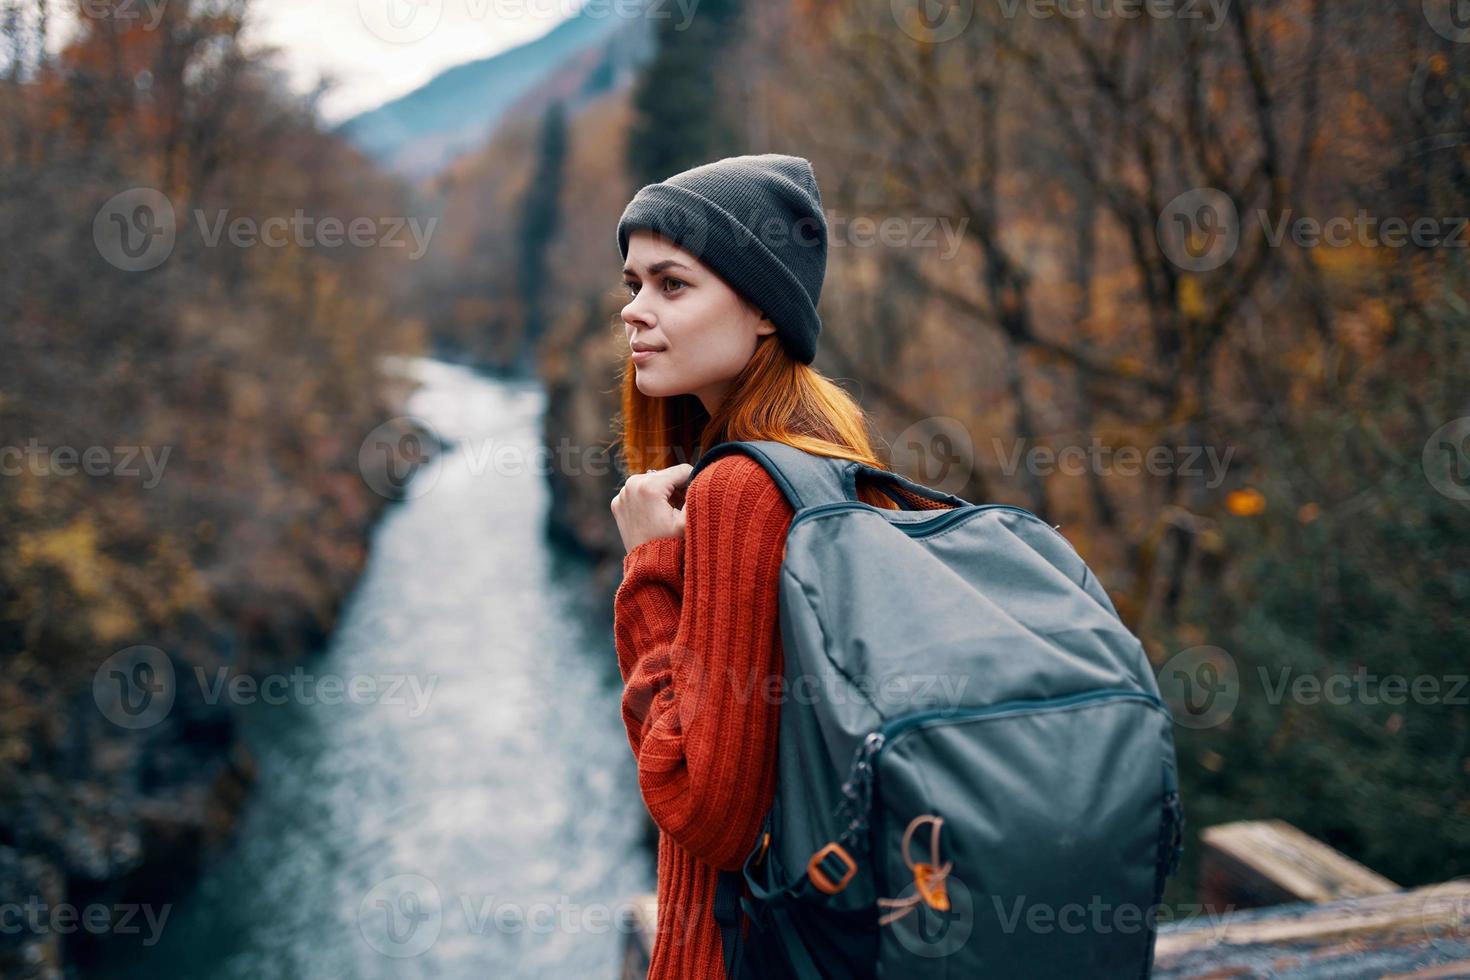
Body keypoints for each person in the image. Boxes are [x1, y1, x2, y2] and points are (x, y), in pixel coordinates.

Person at [608, 154, 953, 978]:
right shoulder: (830, 460)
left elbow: (706, 808)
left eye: (672, 285)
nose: (634, 310)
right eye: (633, 282)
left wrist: (651, 569)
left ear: (764, 309)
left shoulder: (738, 490)